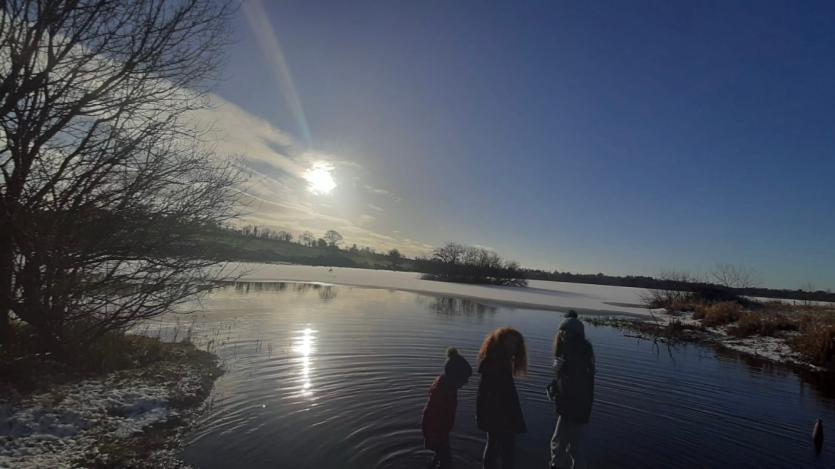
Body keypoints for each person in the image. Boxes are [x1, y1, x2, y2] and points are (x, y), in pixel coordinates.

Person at [548, 311, 595, 469]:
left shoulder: (577, 356)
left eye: (566, 332)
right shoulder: (570, 353)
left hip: (573, 409)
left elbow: (577, 386)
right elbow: (565, 381)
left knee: (561, 443)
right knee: (570, 445)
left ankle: (556, 466)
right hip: (573, 407)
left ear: (575, 335)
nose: (562, 335)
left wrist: (559, 390)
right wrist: (554, 385)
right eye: (561, 331)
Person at [476, 327, 528, 469]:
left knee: (495, 446)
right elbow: (489, 393)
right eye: (510, 342)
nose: (513, 347)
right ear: (501, 342)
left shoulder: (500, 359)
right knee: (504, 450)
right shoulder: (495, 362)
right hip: (499, 415)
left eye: (516, 344)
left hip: (498, 414)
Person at [421, 347, 473, 468]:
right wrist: (433, 436)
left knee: (441, 456)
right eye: (464, 379)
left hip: (441, 432)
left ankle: (432, 464)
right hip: (436, 433)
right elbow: (431, 416)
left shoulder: (448, 387)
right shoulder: (442, 392)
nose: (466, 382)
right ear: (454, 377)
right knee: (447, 463)